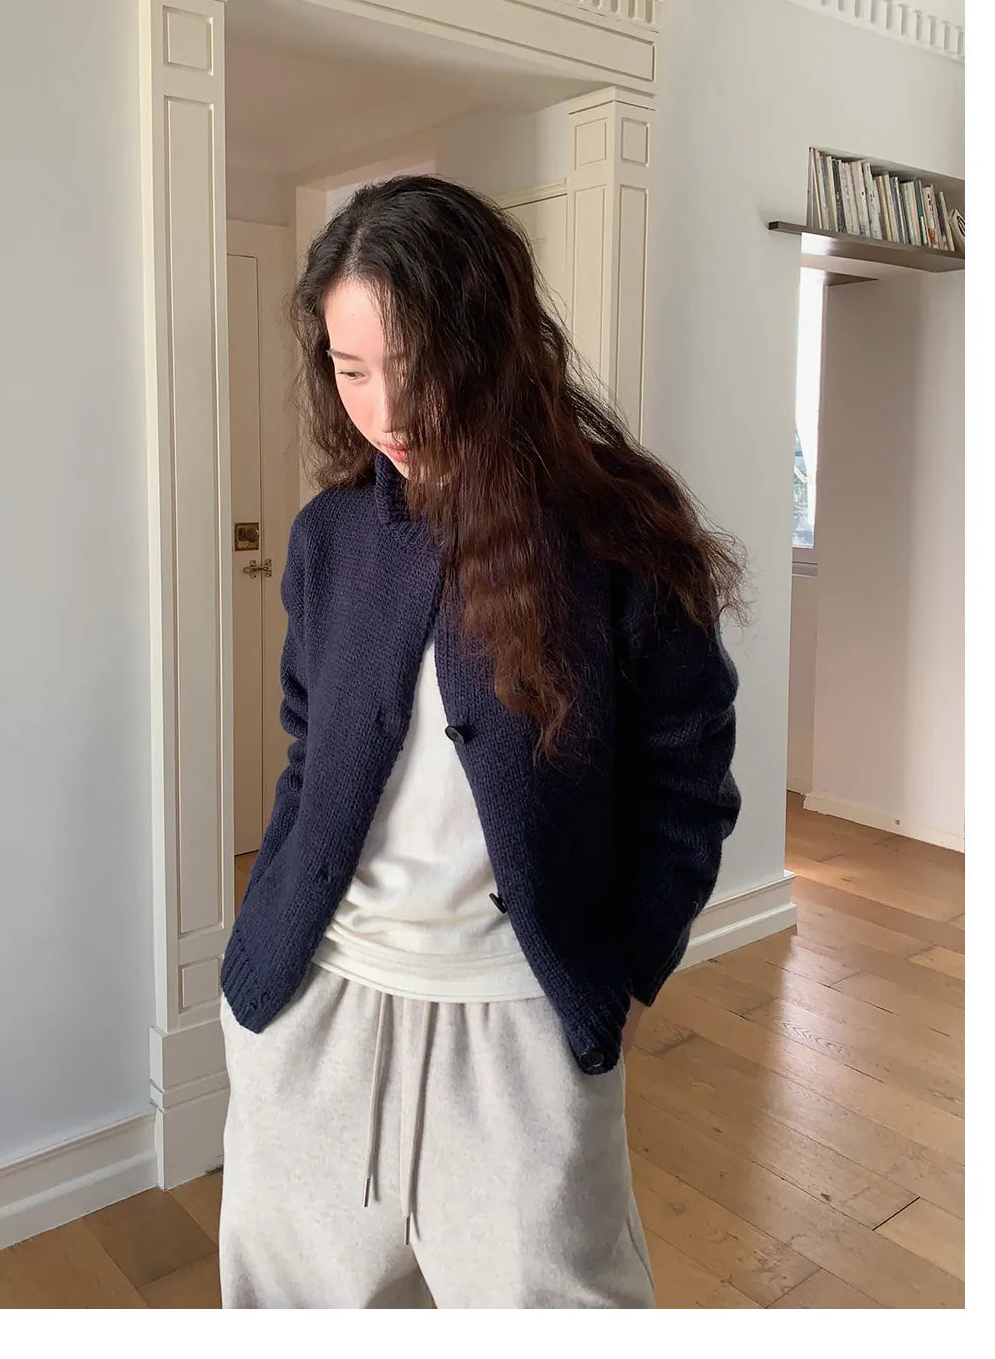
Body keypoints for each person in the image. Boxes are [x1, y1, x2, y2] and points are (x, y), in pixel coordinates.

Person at [218, 174, 748, 1309]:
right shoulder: (327, 539)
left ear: (494, 342)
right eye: (351, 370)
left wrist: (622, 975)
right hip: (316, 1008)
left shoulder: (616, 531)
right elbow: (308, 748)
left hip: (519, 1023)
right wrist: (266, 934)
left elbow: (686, 781)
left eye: (415, 366)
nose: (386, 409)